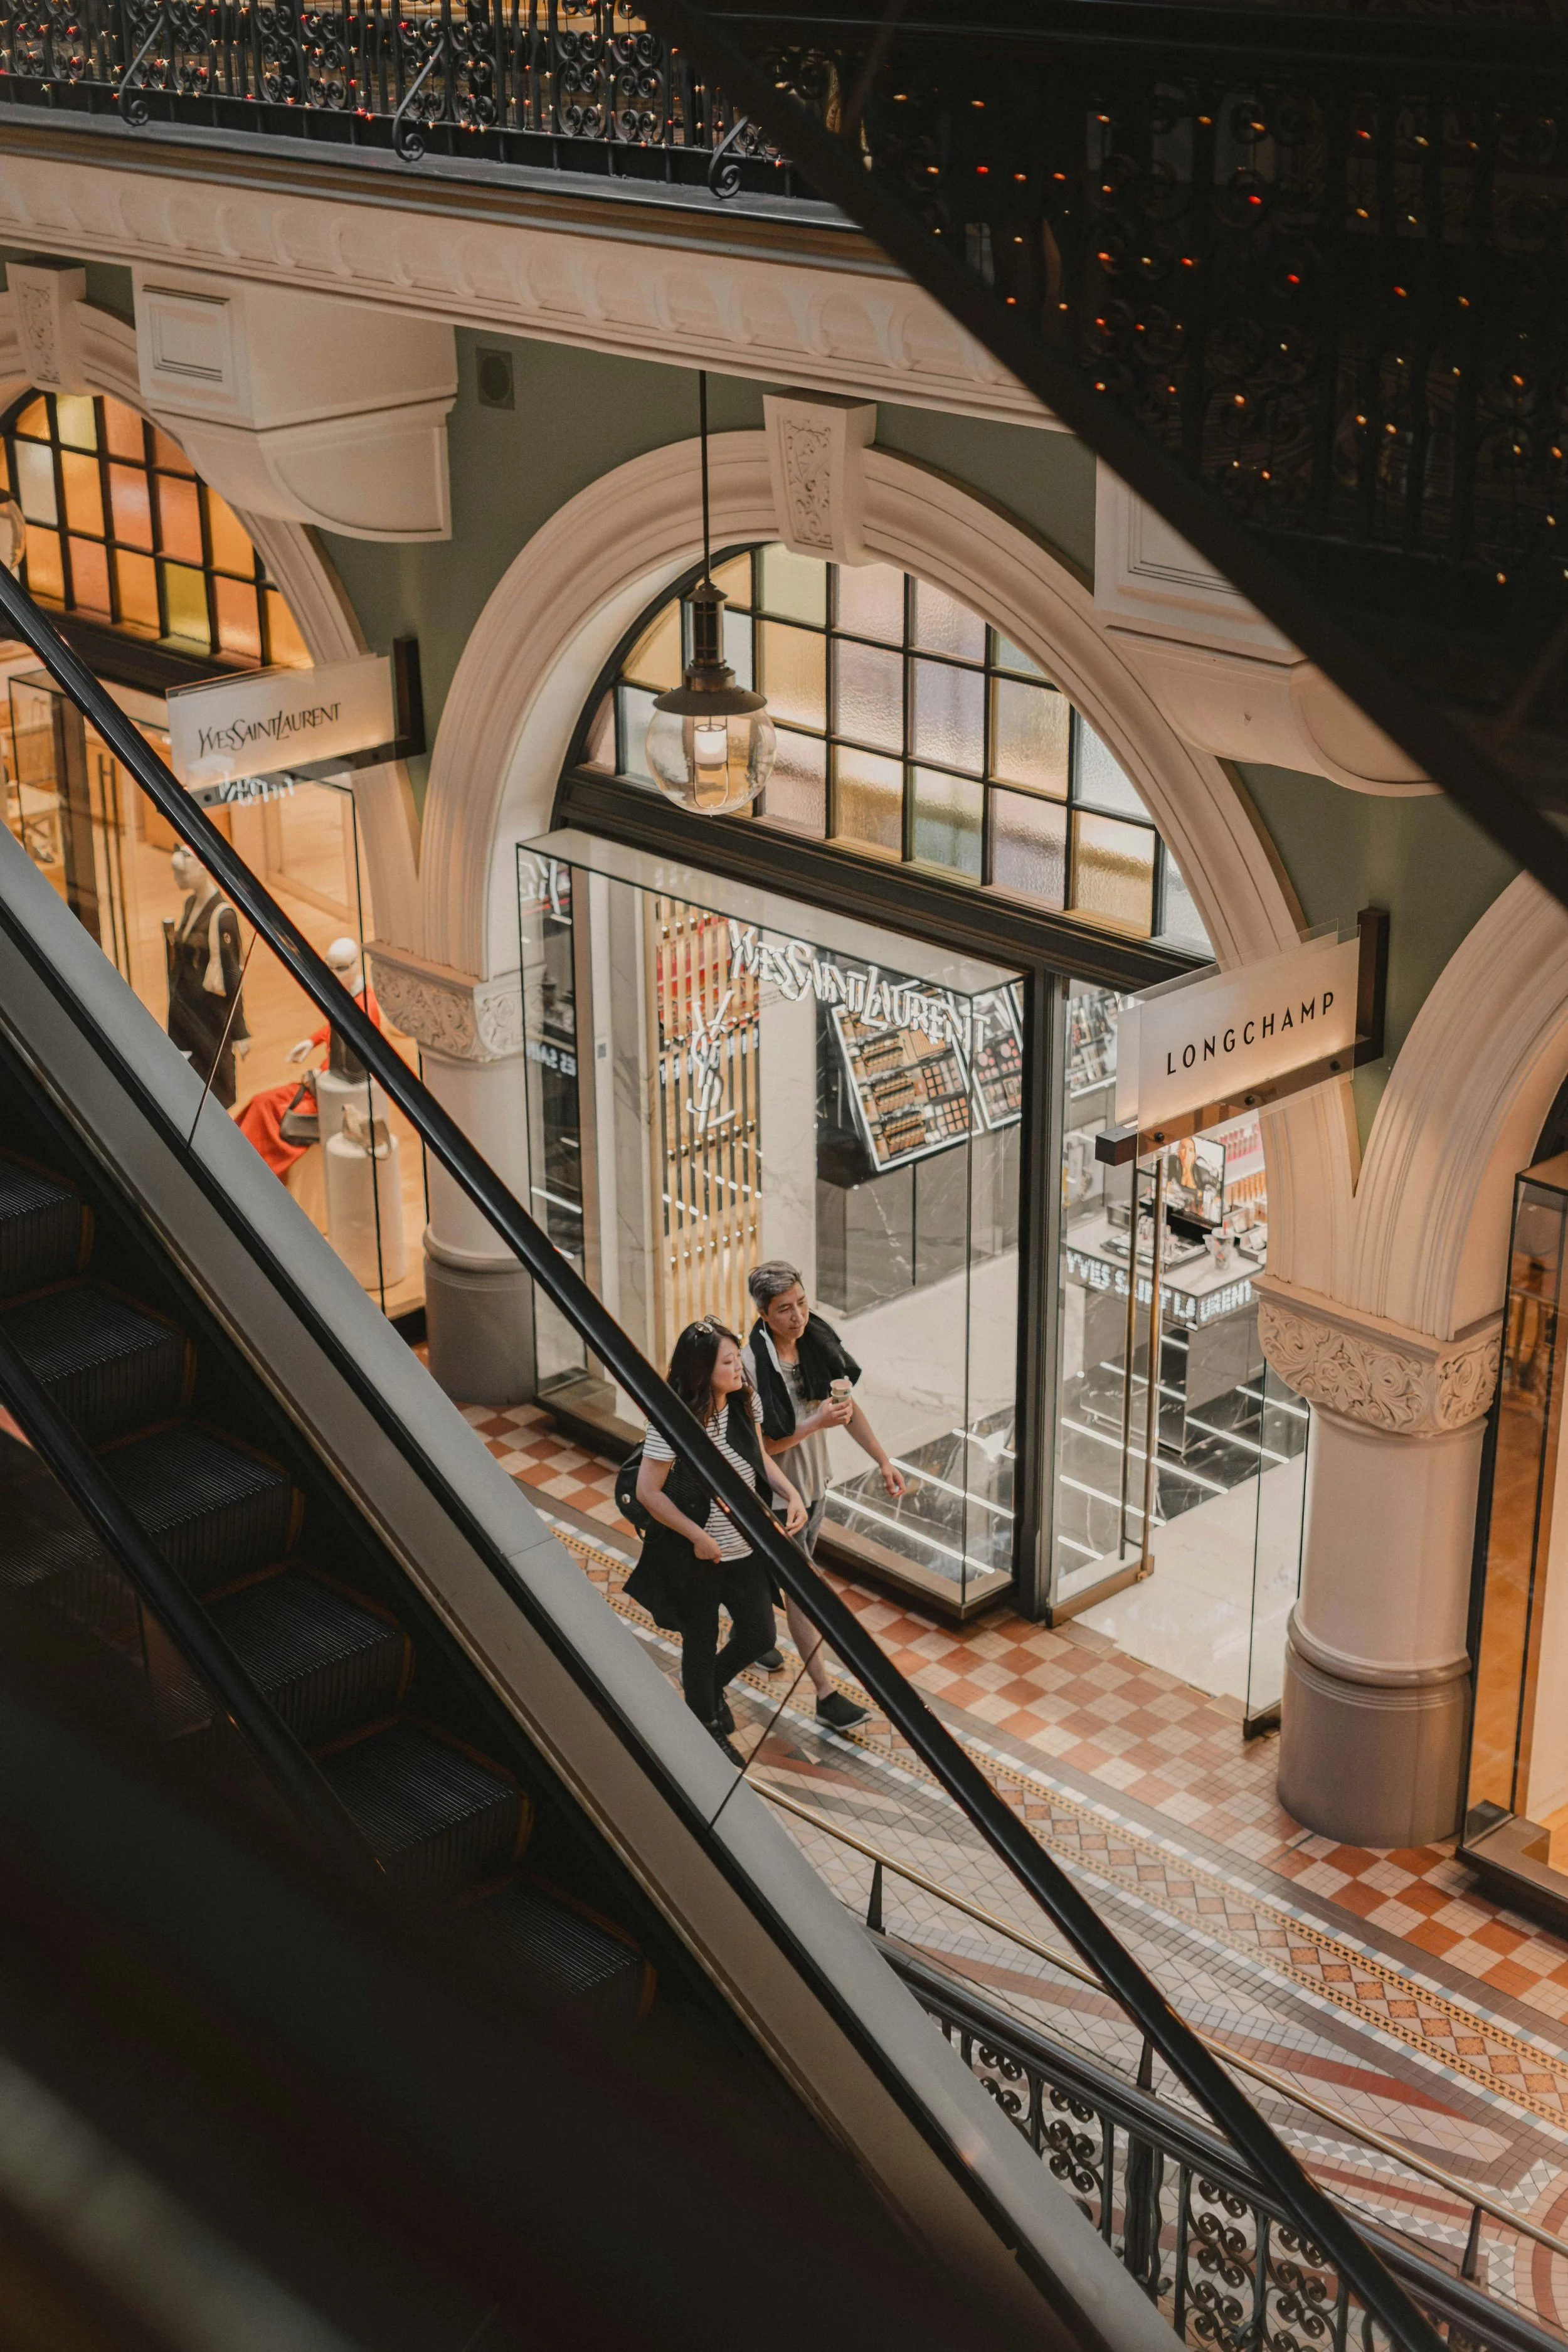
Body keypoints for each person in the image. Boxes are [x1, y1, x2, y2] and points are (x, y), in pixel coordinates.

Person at [627, 1320, 807, 1766]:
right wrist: (698, 1537)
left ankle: (708, 1691)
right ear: (702, 1370)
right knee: (700, 1643)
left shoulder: (746, 1402)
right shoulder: (671, 1421)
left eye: (737, 1359)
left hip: (744, 1547)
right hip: (697, 1555)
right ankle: (705, 1726)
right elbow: (649, 1493)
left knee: (759, 1634)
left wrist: (791, 1492)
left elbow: (758, 1457)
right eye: (728, 1363)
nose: (739, 1370)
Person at [743, 1261, 908, 1731]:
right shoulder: (753, 1365)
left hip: (816, 1487)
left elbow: (847, 1410)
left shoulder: (816, 1343)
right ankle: (824, 1693)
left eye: (800, 1304)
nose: (797, 1317)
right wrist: (815, 1423)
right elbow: (762, 1447)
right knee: (804, 1589)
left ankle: (751, 1636)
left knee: (777, 1575)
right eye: (784, 1310)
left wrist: (883, 1459)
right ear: (762, 1313)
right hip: (778, 1496)